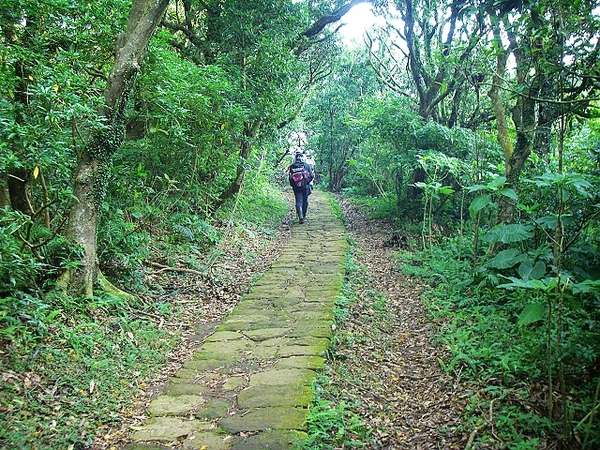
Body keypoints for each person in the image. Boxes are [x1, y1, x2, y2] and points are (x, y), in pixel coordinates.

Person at [288, 151, 314, 224]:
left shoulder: (292, 166)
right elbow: (311, 176)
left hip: (296, 187)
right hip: (305, 186)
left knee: (298, 201)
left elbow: (290, 178)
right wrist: (307, 182)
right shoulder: (305, 165)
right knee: (305, 201)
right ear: (302, 158)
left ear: (295, 158)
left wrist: (293, 185)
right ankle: (303, 216)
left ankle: (300, 215)